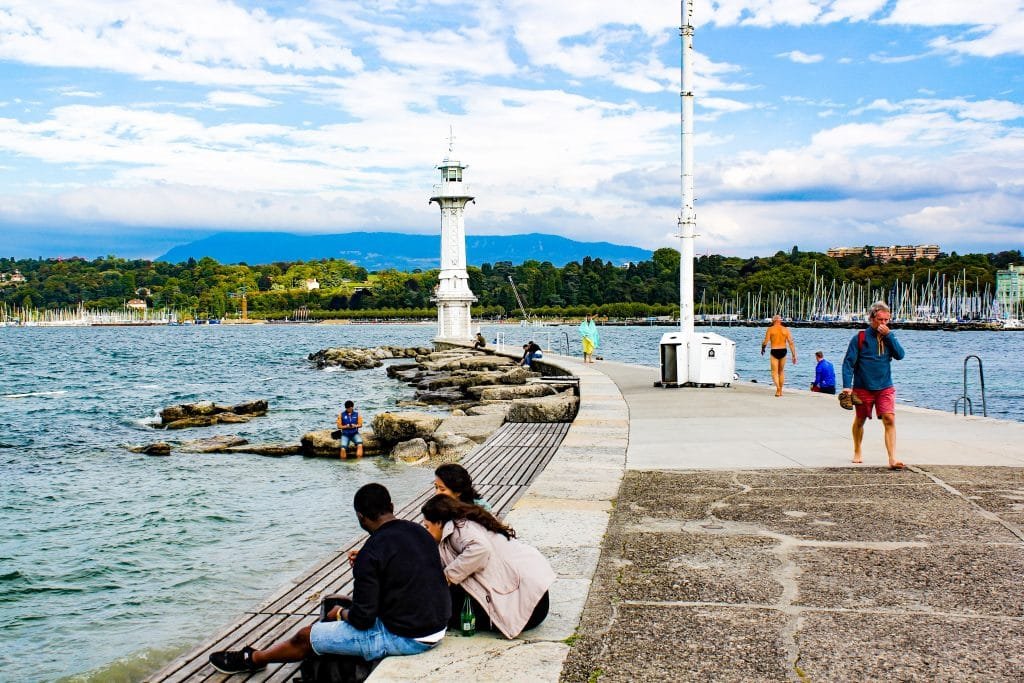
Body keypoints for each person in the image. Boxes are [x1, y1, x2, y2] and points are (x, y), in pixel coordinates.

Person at [209, 483, 450, 675]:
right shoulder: (418, 532)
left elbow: (363, 619)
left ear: (360, 517)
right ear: (391, 506)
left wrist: (341, 614)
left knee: (306, 636)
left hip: (408, 638)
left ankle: (254, 659)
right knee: (338, 608)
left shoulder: (371, 552)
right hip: (436, 625)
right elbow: (405, 570)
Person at [420, 495, 555, 639]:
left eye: (427, 526)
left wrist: (448, 576)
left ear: (439, 523)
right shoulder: (471, 522)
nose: (426, 532)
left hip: (530, 610)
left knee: (449, 611)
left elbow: (481, 549)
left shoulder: (460, 530)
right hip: (536, 600)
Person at [840, 301, 906, 470]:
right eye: (880, 320)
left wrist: (889, 335)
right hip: (863, 387)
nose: (883, 323)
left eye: (886, 320)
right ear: (871, 319)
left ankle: (892, 458)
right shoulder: (859, 338)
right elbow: (848, 364)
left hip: (885, 386)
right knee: (860, 420)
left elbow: (900, 355)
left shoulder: (889, 337)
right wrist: (847, 386)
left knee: (889, 419)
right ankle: (857, 449)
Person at [760, 314, 797, 396]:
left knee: (774, 372)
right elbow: (791, 343)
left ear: (773, 321)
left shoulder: (770, 329)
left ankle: (778, 389)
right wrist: (794, 355)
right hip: (783, 350)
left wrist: (763, 348)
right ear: (780, 321)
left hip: (774, 350)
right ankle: (781, 390)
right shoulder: (785, 329)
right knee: (781, 371)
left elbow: (766, 341)